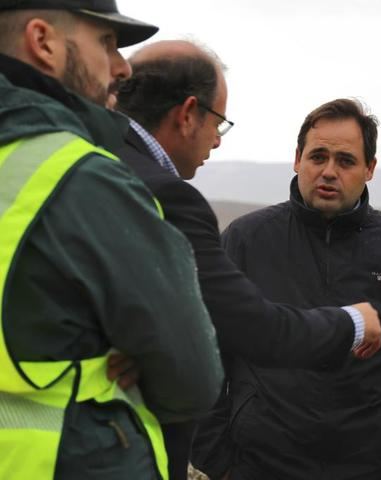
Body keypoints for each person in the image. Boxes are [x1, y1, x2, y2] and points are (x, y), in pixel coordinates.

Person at [113, 43, 381, 479]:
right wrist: (353, 322)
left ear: (370, 167)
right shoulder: (171, 199)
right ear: (187, 114)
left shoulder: (85, 159)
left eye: (346, 160)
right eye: (218, 122)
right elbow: (251, 327)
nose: (218, 139)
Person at [0, 2, 223, 480]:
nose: (123, 67)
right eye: (106, 43)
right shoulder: (82, 177)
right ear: (43, 42)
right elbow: (193, 380)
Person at [192, 98, 381, 480]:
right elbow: (201, 354)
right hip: (260, 467)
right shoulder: (245, 240)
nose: (329, 172)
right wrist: (222, 464)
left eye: (346, 161)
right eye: (317, 157)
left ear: (369, 169)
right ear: (297, 159)